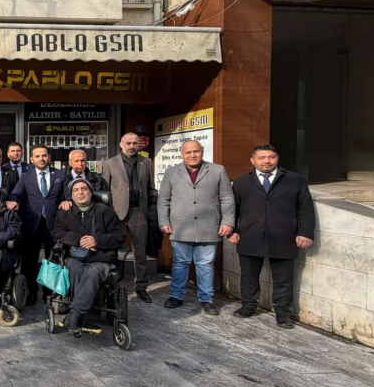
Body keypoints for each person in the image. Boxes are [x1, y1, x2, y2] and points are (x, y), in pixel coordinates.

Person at [228, 144, 314, 329]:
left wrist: (305, 233)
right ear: (253, 160)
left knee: (283, 278)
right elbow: (233, 209)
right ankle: (248, 306)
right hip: (250, 235)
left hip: (284, 236)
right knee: (249, 275)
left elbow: (305, 208)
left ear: (277, 158)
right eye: (261, 157)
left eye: (271, 157)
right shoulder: (241, 182)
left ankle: (283, 313)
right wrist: (232, 230)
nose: (266, 161)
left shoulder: (295, 180)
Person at [158, 140, 235, 315]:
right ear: (182, 154)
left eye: (196, 151)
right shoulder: (171, 172)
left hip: (209, 226)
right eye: (188, 152)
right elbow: (163, 199)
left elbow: (227, 198)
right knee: (180, 263)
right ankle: (176, 296)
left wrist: (228, 222)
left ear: (202, 151)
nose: (192, 155)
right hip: (180, 226)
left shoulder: (217, 170)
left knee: (205, 264)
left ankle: (206, 299)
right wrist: (164, 221)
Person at [52, 178, 126, 337]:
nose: (80, 193)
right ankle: (80, 314)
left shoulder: (105, 211)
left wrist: (96, 240)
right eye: (76, 190)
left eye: (84, 189)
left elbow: (120, 237)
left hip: (100, 258)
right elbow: (57, 233)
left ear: (91, 193)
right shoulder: (65, 212)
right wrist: (79, 240)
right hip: (76, 256)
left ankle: (74, 315)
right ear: (71, 195)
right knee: (73, 269)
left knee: (92, 272)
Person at [7, 144, 67, 306]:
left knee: (52, 260)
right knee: (30, 261)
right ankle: (31, 292)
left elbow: (67, 194)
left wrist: (67, 201)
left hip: (54, 225)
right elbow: (15, 193)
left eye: (44, 155)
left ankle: (49, 293)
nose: (41, 158)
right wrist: (13, 201)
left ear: (49, 157)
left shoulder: (60, 174)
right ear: (32, 159)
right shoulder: (26, 176)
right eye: (38, 156)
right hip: (32, 224)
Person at [102, 133, 157, 303]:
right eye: (128, 143)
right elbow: (105, 190)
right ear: (121, 144)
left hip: (138, 212)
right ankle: (111, 283)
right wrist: (107, 214)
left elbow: (151, 189)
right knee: (113, 250)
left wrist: (151, 210)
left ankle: (141, 287)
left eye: (135, 143)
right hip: (116, 213)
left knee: (140, 252)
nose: (132, 146)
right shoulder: (110, 163)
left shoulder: (146, 162)